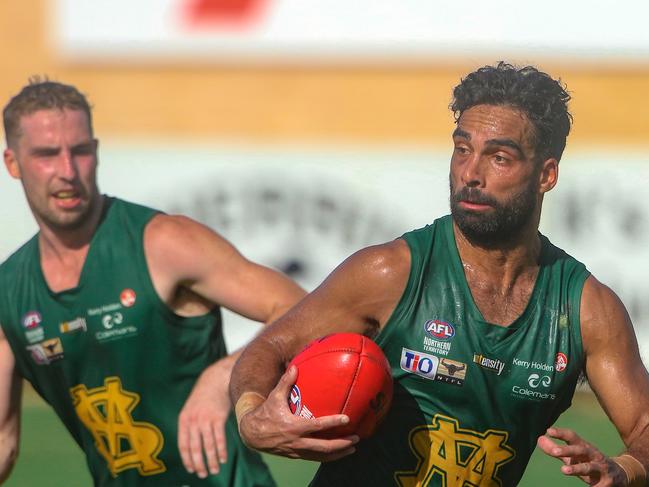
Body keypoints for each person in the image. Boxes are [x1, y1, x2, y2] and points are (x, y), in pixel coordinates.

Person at [229, 62, 649, 486]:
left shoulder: (586, 310)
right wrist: (252, 416)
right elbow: (271, 348)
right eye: (462, 149)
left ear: (546, 175)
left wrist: (626, 470)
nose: (470, 173)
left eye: (498, 157)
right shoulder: (390, 273)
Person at [0, 78, 306, 486]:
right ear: (12, 163)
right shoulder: (9, 292)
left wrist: (223, 377)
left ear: (96, 152)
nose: (67, 171)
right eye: (46, 155)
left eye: (80, 151)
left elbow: (302, 309)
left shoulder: (164, 243)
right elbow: (3, 441)